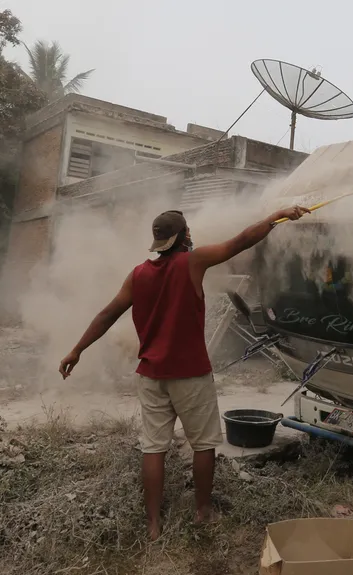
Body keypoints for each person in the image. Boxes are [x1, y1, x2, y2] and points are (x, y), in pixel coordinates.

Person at [59, 206, 308, 540]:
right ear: (183, 237)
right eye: (188, 231)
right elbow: (242, 241)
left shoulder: (137, 275)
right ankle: (203, 513)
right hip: (190, 374)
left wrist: (77, 349)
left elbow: (107, 314)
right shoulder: (192, 262)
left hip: (151, 375)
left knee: (154, 448)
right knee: (203, 445)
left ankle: (153, 525)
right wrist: (279, 215)